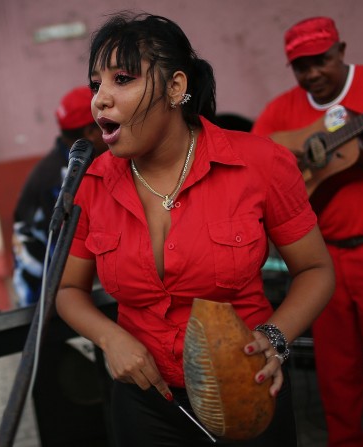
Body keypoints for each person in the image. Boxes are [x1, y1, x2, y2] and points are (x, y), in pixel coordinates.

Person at [55, 12, 335, 446]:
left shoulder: (260, 163)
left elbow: (316, 270)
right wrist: (110, 338)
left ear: (176, 88)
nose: (100, 100)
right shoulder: (91, 184)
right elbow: (68, 291)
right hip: (146, 399)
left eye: (122, 79)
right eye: (97, 84)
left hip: (247, 389)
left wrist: (274, 338)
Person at [252, 16, 363, 446]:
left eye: (320, 60)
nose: (312, 73)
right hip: (321, 260)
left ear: (341, 51)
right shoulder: (282, 110)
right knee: (335, 378)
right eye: (301, 66)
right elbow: (254, 162)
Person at [12, 86, 107, 307]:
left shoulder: (75, 161)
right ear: (91, 133)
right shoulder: (63, 180)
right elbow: (63, 258)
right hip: (46, 300)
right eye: (109, 122)